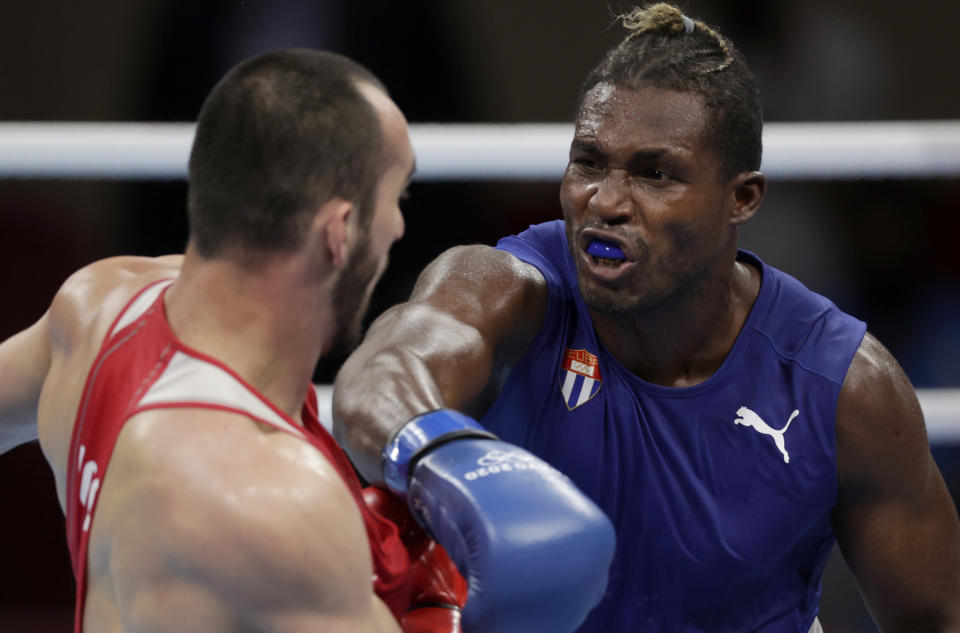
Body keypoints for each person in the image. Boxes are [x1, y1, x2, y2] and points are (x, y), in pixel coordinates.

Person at [332, 5, 960, 633]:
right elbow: (382, 375)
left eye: (655, 174)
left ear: (742, 198)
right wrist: (456, 462)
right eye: (588, 162)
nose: (604, 202)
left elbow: (937, 617)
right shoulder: (510, 288)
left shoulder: (844, 387)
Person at [0, 49, 614, 633]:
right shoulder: (271, 503)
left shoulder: (95, 308)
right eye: (395, 199)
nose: (400, 226)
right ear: (338, 232)